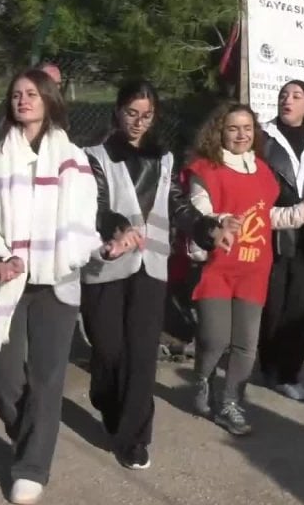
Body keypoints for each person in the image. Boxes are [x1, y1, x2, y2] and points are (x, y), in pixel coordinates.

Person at [0, 69, 103, 505]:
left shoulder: (72, 157)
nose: (22, 100)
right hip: (10, 277)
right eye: (16, 95)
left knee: (47, 379)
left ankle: (32, 465)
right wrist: (1, 256)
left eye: (31, 94)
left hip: (57, 278)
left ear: (49, 100)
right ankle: (31, 433)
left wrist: (76, 254)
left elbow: (85, 220)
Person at [81, 80, 205, 468]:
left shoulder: (164, 157)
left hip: (151, 266)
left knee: (141, 354)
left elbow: (179, 206)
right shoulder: (94, 155)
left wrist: (208, 228)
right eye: (132, 113)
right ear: (117, 111)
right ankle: (105, 398)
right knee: (108, 350)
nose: (138, 122)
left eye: (147, 115)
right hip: (107, 263)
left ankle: (134, 436)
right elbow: (95, 205)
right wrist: (116, 227)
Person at [185, 102, 304, 435]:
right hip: (217, 268)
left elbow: (267, 217)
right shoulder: (206, 169)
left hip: (255, 270)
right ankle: (203, 379)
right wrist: (220, 221)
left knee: (246, 343)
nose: (241, 135)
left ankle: (231, 403)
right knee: (215, 339)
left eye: (247, 128)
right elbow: (197, 213)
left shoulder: (262, 170)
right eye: (233, 128)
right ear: (220, 131)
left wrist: (301, 212)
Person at [257, 81, 304, 397]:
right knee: (273, 306)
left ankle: (291, 374)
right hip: (275, 233)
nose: (287, 100)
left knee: (300, 309)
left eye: (296, 96)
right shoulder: (263, 139)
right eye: (283, 95)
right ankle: (269, 367)